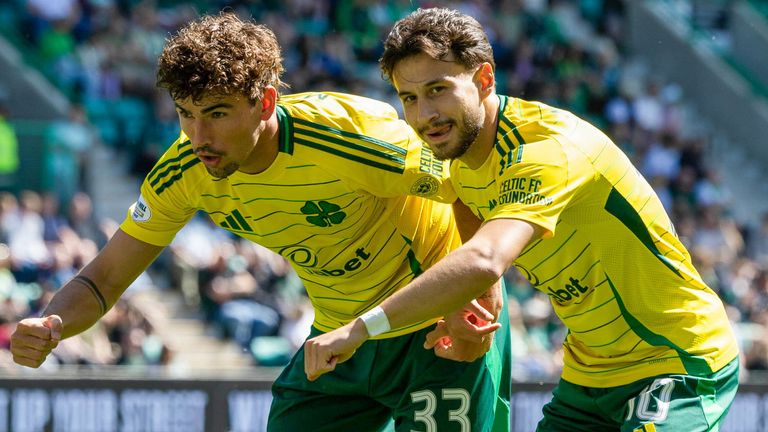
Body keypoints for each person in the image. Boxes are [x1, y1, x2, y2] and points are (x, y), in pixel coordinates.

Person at [10, 12, 512, 432]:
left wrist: (477, 295)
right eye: (185, 113)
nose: (198, 135)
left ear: (266, 102)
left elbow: (467, 174)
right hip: (338, 339)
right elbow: (104, 277)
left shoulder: (352, 139)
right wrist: (53, 322)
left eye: (218, 113)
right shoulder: (184, 172)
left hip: (438, 326)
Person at [304, 8, 740, 432]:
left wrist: (363, 328)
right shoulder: (460, 162)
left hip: (676, 360)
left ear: (484, 79)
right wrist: (471, 309)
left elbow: (485, 259)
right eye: (410, 98)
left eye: (438, 89)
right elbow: (474, 248)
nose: (423, 116)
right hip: (590, 374)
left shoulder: (547, 149)